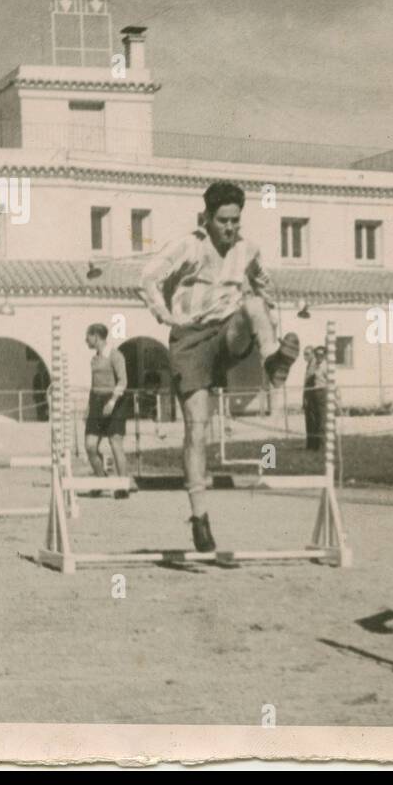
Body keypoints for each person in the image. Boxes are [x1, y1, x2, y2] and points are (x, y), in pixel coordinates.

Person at [140, 181, 300, 553]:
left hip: (228, 335)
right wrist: (165, 315)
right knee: (198, 430)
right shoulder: (189, 246)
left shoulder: (247, 249)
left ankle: (273, 358)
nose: (230, 228)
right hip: (191, 340)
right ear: (207, 219)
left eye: (235, 221)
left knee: (255, 306)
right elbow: (147, 276)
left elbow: (264, 285)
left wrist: (270, 316)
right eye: (223, 221)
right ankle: (199, 516)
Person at [83, 323, 131, 498]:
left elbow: (123, 382)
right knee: (90, 446)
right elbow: (94, 385)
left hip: (115, 401)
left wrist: (112, 402)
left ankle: (122, 486)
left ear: (96, 336)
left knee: (115, 444)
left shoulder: (116, 355)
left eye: (87, 336)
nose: (85, 340)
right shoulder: (94, 359)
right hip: (96, 401)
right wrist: (89, 406)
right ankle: (101, 480)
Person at [305, 346, 330, 452]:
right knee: (316, 419)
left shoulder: (325, 366)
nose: (319, 357)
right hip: (315, 393)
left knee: (322, 420)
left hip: (322, 392)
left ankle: (322, 445)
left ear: (324, 355)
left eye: (321, 355)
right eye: (317, 355)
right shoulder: (315, 365)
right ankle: (315, 445)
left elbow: (331, 382)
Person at [301, 346, 320, 450]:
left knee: (313, 421)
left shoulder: (315, 365)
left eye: (307, 354)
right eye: (304, 354)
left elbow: (312, 381)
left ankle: (314, 445)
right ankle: (310, 444)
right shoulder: (308, 365)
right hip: (307, 395)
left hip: (313, 396)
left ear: (313, 354)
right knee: (308, 421)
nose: (305, 356)